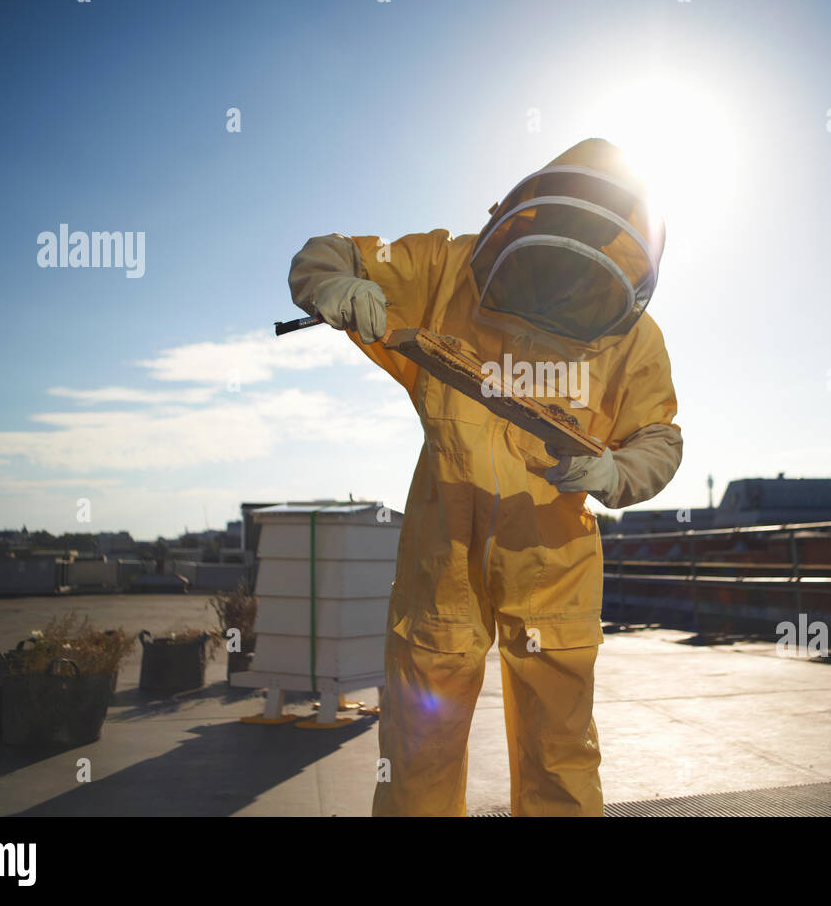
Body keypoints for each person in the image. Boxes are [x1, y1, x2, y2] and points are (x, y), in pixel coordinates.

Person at [287, 138, 682, 816]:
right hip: (445, 550)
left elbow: (659, 437)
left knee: (559, 749)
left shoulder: (630, 336)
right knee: (420, 746)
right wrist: (334, 284)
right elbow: (336, 251)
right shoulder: (448, 271)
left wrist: (616, 471)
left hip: (554, 562)